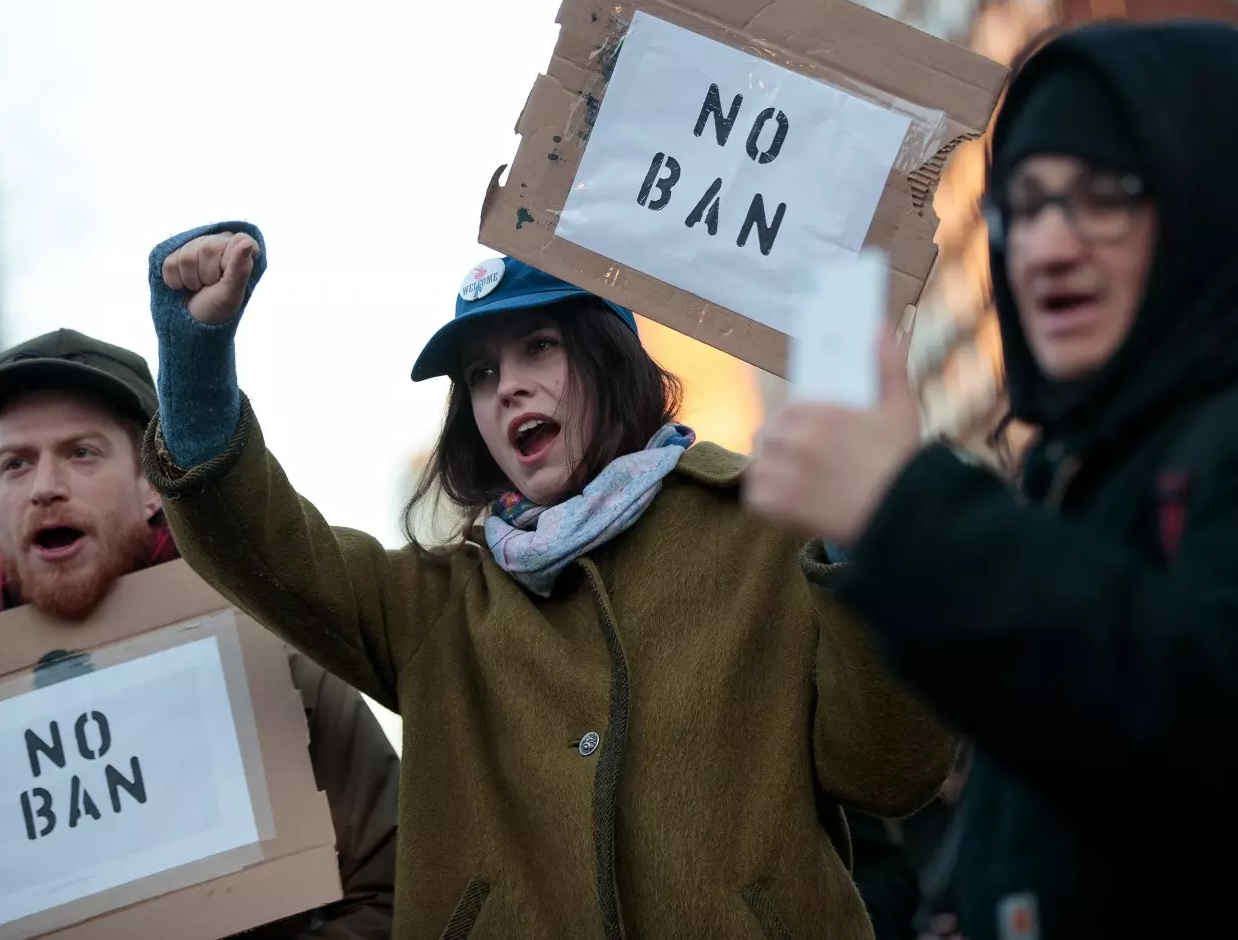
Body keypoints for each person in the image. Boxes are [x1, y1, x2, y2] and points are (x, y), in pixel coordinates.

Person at [138, 224, 954, 938]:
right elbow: (270, 548)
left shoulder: (769, 532)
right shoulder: (437, 607)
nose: (509, 388)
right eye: (484, 374)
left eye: (539, 348)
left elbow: (891, 771)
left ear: (609, 355)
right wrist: (197, 361)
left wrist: (863, 549)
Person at [744, 20, 1238, 938]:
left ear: (1213, 197)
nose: (1046, 246)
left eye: (1103, 195)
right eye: (1022, 204)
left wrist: (907, 510)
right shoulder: (1088, 468)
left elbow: (1217, 730)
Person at [0, 329, 400, 940]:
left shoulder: (278, 666)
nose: (44, 487)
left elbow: (398, 895)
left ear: (149, 484)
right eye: (16, 463)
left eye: (81, 452)